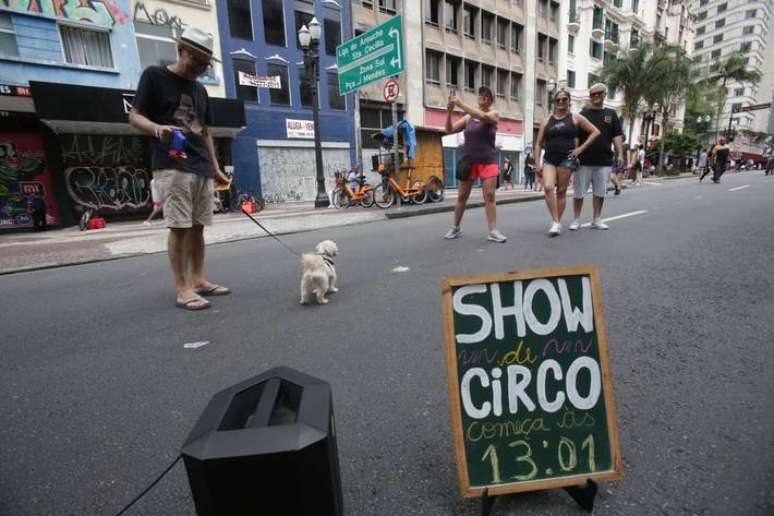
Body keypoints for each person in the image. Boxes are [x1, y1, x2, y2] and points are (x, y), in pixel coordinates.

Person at [129, 27, 231, 311]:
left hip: (200, 165)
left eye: (204, 64)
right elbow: (134, 115)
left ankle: (198, 279)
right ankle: (183, 288)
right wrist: (157, 128)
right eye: (194, 61)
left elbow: (206, 131)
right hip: (171, 163)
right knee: (180, 226)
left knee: (198, 227)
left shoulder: (200, 89)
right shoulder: (155, 76)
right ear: (181, 50)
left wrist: (216, 167)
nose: (199, 68)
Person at [443, 86, 507, 243]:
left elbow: (482, 116)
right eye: (481, 95)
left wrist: (460, 103)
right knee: (462, 196)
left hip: (488, 161)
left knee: (489, 196)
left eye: (486, 95)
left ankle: (493, 231)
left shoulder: (494, 114)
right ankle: (455, 228)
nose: (482, 97)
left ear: (491, 100)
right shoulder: (467, 118)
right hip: (469, 161)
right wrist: (450, 111)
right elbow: (449, 130)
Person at [533, 89, 600, 236]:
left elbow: (595, 131)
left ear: (569, 101)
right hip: (549, 159)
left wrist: (580, 149)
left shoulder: (575, 118)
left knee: (561, 191)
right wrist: (537, 163)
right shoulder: (546, 120)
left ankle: (556, 223)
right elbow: (538, 144)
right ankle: (556, 221)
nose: (561, 102)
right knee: (548, 187)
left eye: (564, 99)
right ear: (554, 102)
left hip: (566, 159)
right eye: (558, 100)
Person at [569, 83, 624, 231]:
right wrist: (575, 153)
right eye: (594, 94)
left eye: (600, 93)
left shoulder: (611, 114)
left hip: (604, 161)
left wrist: (620, 153)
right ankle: (576, 219)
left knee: (600, 192)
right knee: (579, 193)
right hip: (583, 161)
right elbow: (575, 136)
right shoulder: (582, 114)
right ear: (590, 96)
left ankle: (597, 219)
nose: (597, 96)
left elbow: (617, 135)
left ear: (605, 94)